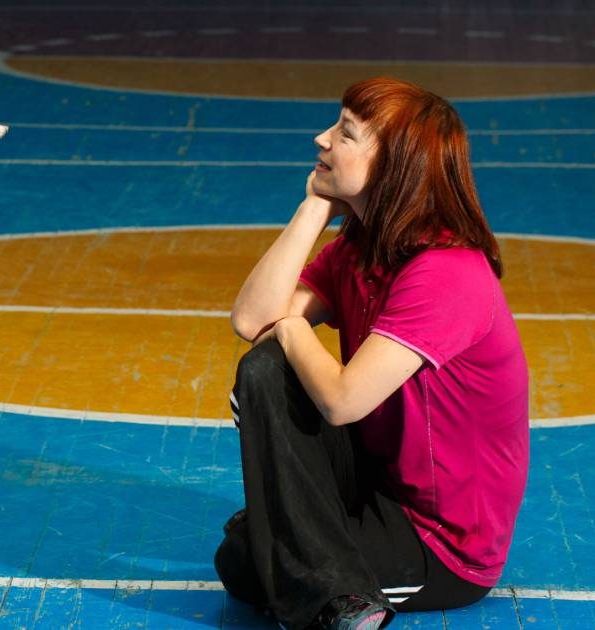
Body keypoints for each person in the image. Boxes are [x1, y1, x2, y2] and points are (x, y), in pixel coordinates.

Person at [216, 77, 530, 630]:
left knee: (248, 561)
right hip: (376, 483)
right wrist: (315, 206)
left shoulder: (447, 273)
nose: (321, 138)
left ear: (394, 166)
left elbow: (342, 402)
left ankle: (340, 600)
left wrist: (290, 330)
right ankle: (305, 552)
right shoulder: (363, 249)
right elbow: (249, 321)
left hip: (441, 542)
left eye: (344, 132)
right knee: (263, 369)